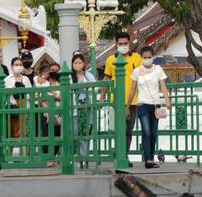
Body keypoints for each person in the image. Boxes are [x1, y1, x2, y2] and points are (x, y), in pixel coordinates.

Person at [127, 46, 170, 169]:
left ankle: (151, 157)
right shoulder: (137, 71)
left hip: (155, 105)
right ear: (141, 58)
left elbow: (163, 86)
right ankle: (148, 159)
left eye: (149, 57)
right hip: (142, 105)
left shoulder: (158, 69)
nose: (147, 59)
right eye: (144, 57)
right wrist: (128, 107)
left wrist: (167, 100)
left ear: (153, 57)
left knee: (153, 133)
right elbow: (132, 90)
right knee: (146, 132)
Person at [103, 31, 142, 162]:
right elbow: (107, 78)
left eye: (125, 43)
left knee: (128, 131)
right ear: (116, 44)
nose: (123, 45)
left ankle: (123, 155)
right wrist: (101, 97)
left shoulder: (136, 58)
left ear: (129, 43)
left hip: (133, 101)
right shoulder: (110, 59)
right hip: (116, 101)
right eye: (120, 44)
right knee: (119, 129)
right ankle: (121, 156)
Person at [71, 52, 96, 164]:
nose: (78, 64)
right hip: (75, 109)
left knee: (85, 133)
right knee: (75, 133)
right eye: (75, 63)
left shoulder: (89, 76)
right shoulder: (69, 77)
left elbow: (94, 89)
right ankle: (74, 157)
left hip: (87, 108)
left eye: (80, 62)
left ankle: (84, 157)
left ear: (84, 64)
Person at [3, 56, 29, 155]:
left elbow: (31, 93)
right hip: (11, 108)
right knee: (10, 132)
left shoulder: (26, 79)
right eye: (16, 65)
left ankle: (24, 155)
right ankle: (8, 155)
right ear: (12, 66)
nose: (18, 66)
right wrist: (13, 89)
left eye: (20, 65)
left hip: (23, 107)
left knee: (23, 132)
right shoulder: (7, 79)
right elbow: (4, 95)